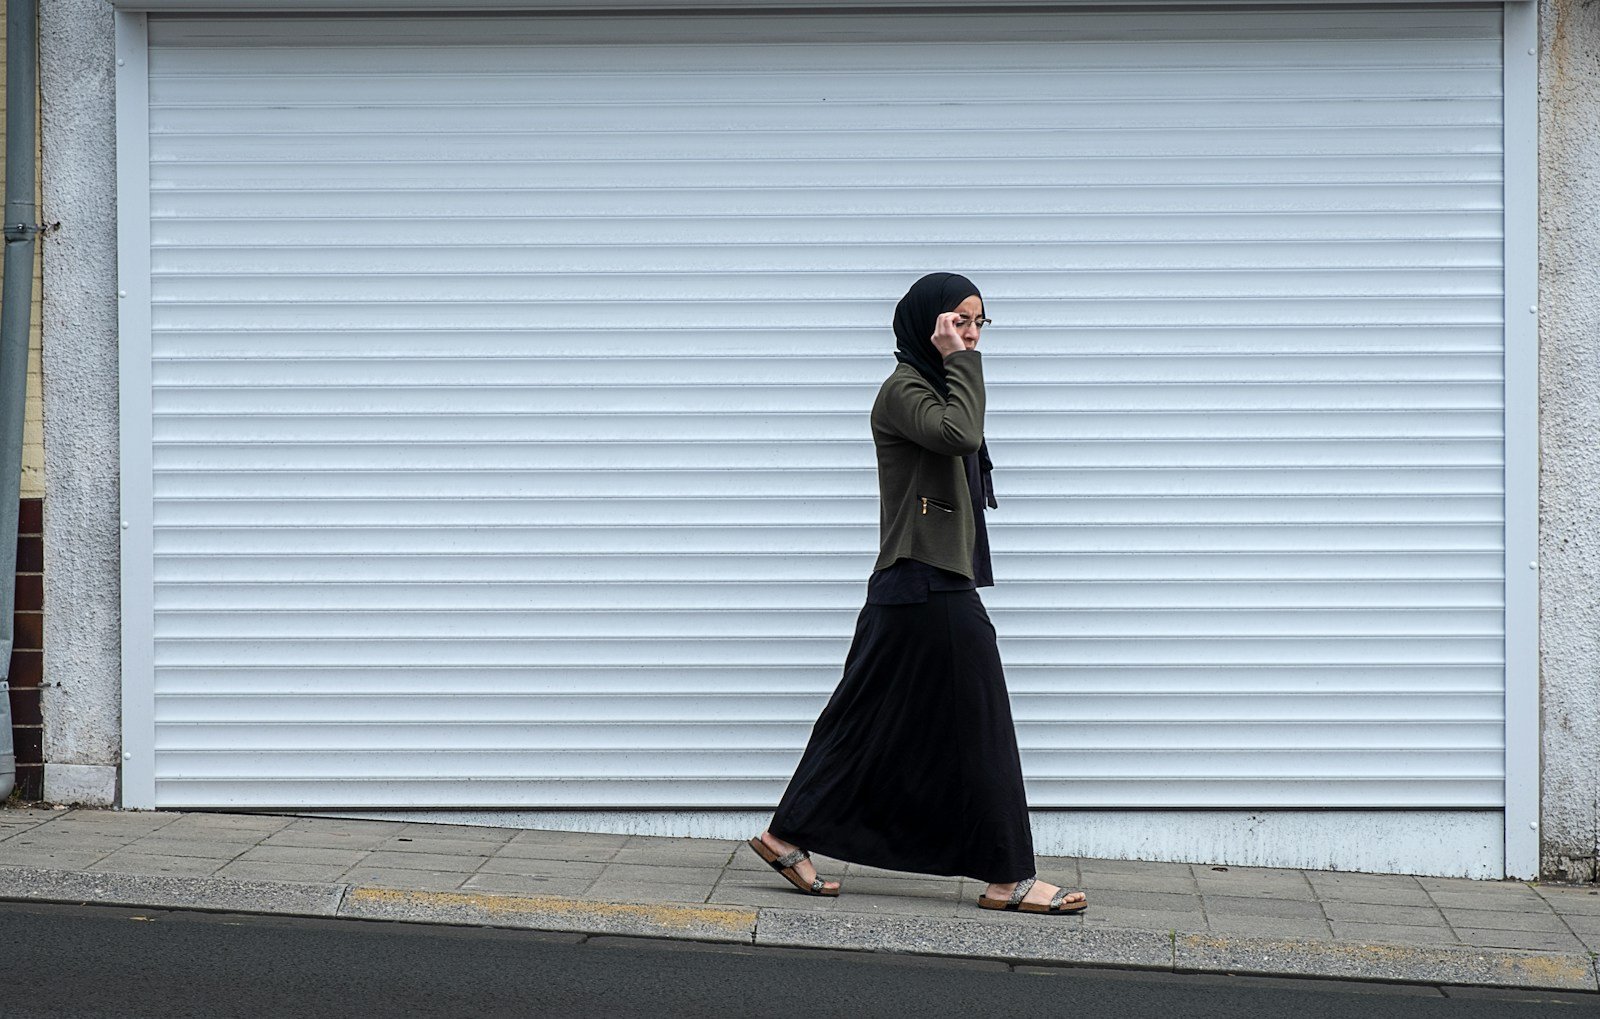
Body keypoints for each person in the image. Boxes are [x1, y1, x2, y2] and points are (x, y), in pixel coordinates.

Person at [746, 273, 1088, 916]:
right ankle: (1007, 876)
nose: (971, 333)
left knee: (864, 718)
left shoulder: (932, 388)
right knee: (981, 724)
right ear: (928, 322)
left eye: (980, 322)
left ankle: (785, 835)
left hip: (916, 581)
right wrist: (963, 360)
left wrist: (958, 362)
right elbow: (958, 435)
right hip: (925, 579)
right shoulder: (905, 389)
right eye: (958, 320)